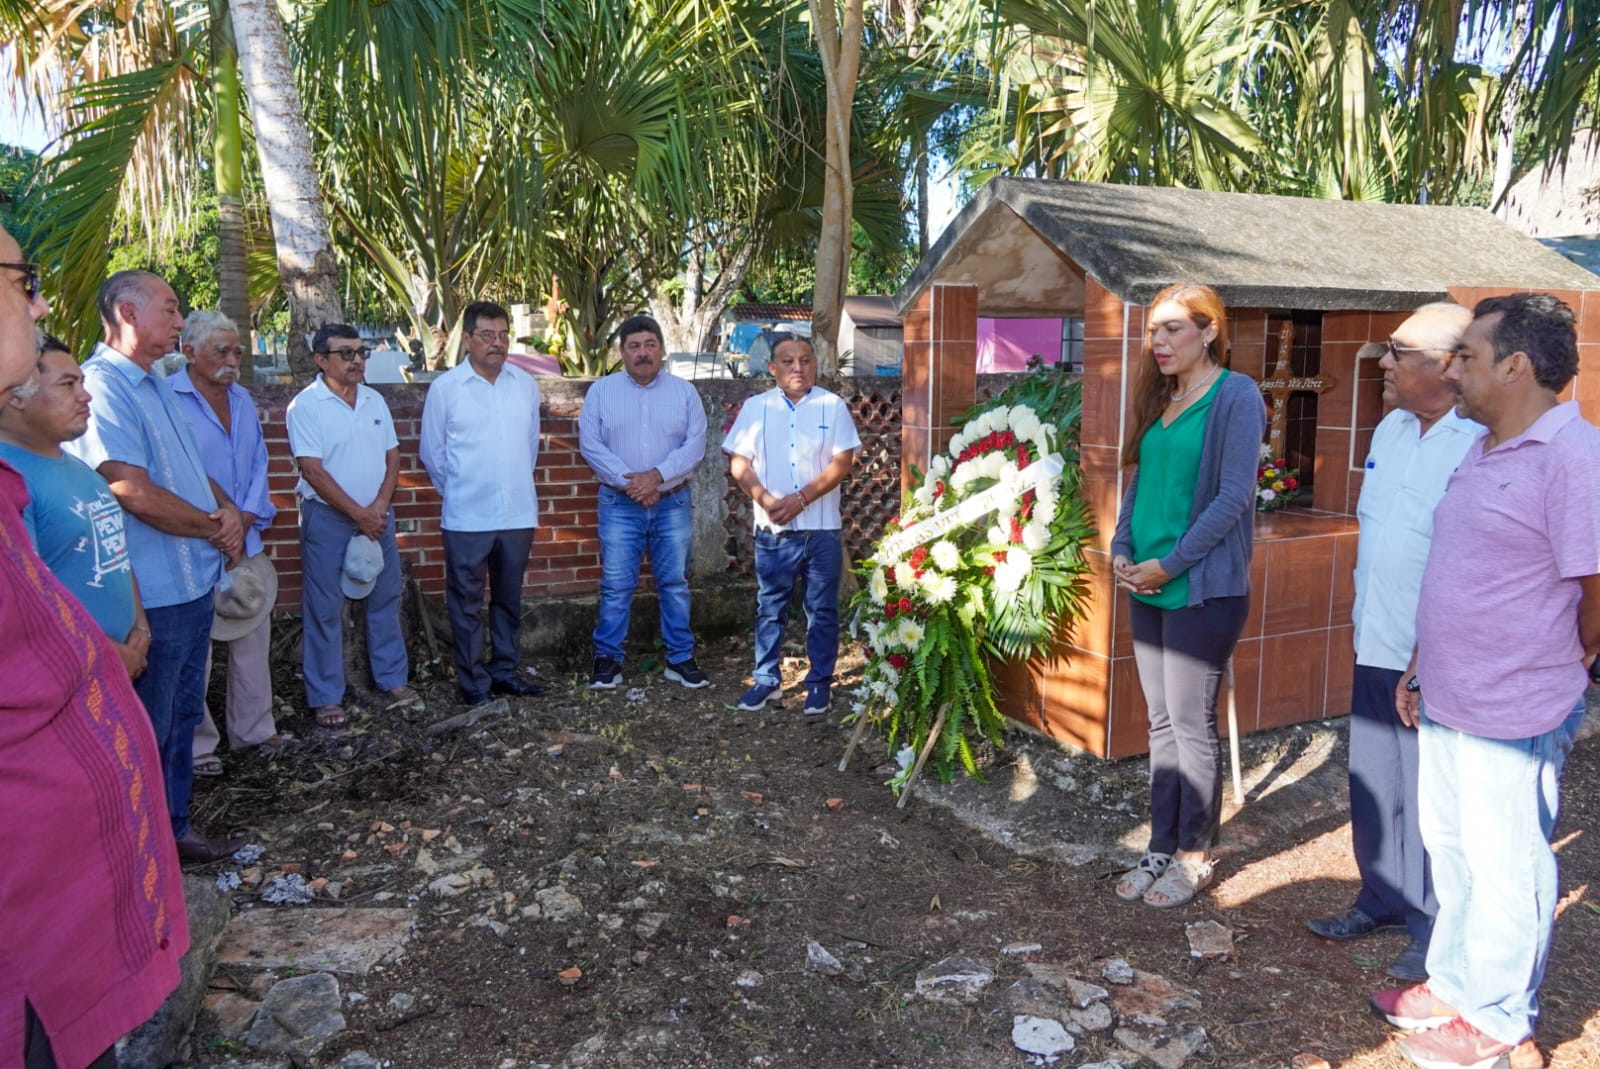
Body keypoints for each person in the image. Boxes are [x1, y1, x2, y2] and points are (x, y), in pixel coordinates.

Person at [1372, 294, 1600, 1069]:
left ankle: (1501, 1024)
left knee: (1509, 864)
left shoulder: (1573, 457)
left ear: (1517, 365)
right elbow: (1461, 571)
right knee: (1458, 850)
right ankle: (1456, 985)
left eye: (1467, 356)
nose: (1454, 369)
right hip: (1449, 694)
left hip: (1517, 705)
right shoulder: (1485, 445)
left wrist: (1559, 667)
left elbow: (1596, 588)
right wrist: (1421, 663)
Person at [0, 225, 187, 1069]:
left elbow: (104, 555)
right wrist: (108, 656)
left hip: (132, 647)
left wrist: (135, 624)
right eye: (20, 280)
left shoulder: (56, 468)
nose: (37, 300)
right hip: (31, 923)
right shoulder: (20, 478)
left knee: (176, 725)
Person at [1306, 308, 1476, 982]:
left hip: (1434, 651)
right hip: (1375, 634)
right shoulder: (1391, 427)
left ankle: (1432, 922)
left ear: (1447, 363)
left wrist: (1430, 651)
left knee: (1433, 791)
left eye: (1398, 351)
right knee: (1377, 779)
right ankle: (1379, 895)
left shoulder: (1479, 441)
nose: (1382, 361)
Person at [64, 269, 246, 863]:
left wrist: (226, 508)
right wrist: (215, 526)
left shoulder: (157, 383)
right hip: (154, 593)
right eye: (168, 309)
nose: (177, 319)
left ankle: (174, 828)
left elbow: (189, 469)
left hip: (192, 582)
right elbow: (128, 489)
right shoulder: (104, 386)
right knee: (151, 723)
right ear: (126, 313)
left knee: (181, 716)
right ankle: (143, 844)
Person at [1109, 282, 1265, 909]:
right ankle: (1160, 844)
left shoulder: (1236, 396)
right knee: (1160, 722)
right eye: (1154, 331)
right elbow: (1140, 482)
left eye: (1174, 328)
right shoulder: (1163, 399)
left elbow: (1234, 496)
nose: (1160, 342)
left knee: (1191, 725)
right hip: (1145, 581)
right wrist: (1123, 546)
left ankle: (1194, 855)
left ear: (1209, 331)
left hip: (1200, 587)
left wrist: (1169, 564)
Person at [286, 324, 423, 726]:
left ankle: (392, 679)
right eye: (346, 353)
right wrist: (358, 514)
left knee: (384, 598)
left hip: (377, 516)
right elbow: (312, 470)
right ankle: (327, 696)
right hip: (328, 518)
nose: (357, 360)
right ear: (320, 360)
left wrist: (378, 507)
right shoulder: (306, 406)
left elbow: (393, 457)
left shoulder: (374, 400)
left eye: (361, 352)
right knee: (325, 608)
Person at [0, 336, 152, 681]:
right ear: (16, 395)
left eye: (81, 383)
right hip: (66, 677)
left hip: (120, 663)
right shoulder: (11, 482)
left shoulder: (80, 467)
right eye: (68, 385)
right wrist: (111, 655)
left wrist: (141, 630)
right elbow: (28, 607)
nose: (85, 396)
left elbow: (116, 555)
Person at [170, 311, 284, 774]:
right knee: (197, 647)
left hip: (247, 538)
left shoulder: (241, 399)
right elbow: (176, 472)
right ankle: (199, 747)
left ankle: (254, 731)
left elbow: (260, 462)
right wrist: (222, 525)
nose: (232, 359)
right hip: (197, 537)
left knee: (252, 637)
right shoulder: (168, 399)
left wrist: (249, 517)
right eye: (221, 350)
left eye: (237, 350)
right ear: (189, 351)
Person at [420, 300, 548, 706]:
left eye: (503, 335)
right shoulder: (446, 389)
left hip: (516, 514)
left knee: (509, 600)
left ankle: (505, 671)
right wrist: (460, 489)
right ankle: (474, 684)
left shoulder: (524, 385)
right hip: (466, 517)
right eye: (487, 336)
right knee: (466, 605)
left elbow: (529, 448)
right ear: (469, 340)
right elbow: (432, 455)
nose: (498, 343)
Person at [724, 334, 860, 715]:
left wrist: (802, 499)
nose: (797, 368)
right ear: (772, 368)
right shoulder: (756, 408)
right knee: (770, 606)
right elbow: (739, 463)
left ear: (815, 365)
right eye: (787, 361)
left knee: (821, 608)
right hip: (774, 531)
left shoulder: (832, 407)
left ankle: (819, 683)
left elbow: (842, 461)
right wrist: (766, 501)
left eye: (805, 360)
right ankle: (766, 680)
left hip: (821, 529)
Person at [578, 314, 709, 690]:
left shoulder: (684, 393)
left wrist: (656, 476)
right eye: (634, 346)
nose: (642, 353)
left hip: (672, 503)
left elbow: (695, 445)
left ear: (662, 350)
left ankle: (680, 658)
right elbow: (590, 444)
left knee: (674, 583)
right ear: (621, 352)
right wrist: (630, 482)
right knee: (617, 585)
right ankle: (608, 661)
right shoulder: (601, 392)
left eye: (649, 345)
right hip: (620, 505)